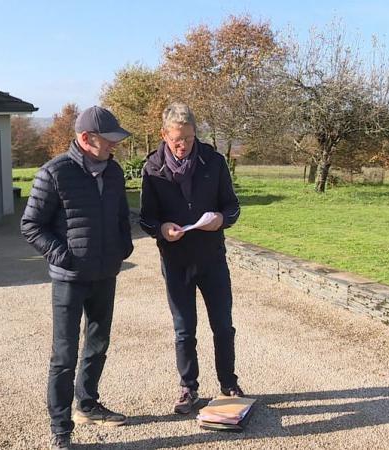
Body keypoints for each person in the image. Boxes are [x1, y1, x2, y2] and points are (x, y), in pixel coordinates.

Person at [21, 106, 133, 450]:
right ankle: (61, 427)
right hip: (69, 279)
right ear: (86, 139)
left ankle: (87, 404)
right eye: (109, 140)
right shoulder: (54, 173)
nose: (115, 146)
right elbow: (31, 225)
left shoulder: (113, 172)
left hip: (105, 274)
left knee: (98, 345)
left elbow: (120, 216)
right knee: (64, 354)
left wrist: (122, 248)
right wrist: (64, 257)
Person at [139, 102, 243, 415]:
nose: (183, 145)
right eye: (176, 140)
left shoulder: (214, 161)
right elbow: (145, 218)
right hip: (176, 261)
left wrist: (220, 220)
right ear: (163, 135)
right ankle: (188, 388)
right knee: (184, 329)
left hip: (212, 258)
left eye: (188, 137)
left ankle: (229, 383)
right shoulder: (152, 168)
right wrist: (161, 229)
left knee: (223, 325)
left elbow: (233, 207)